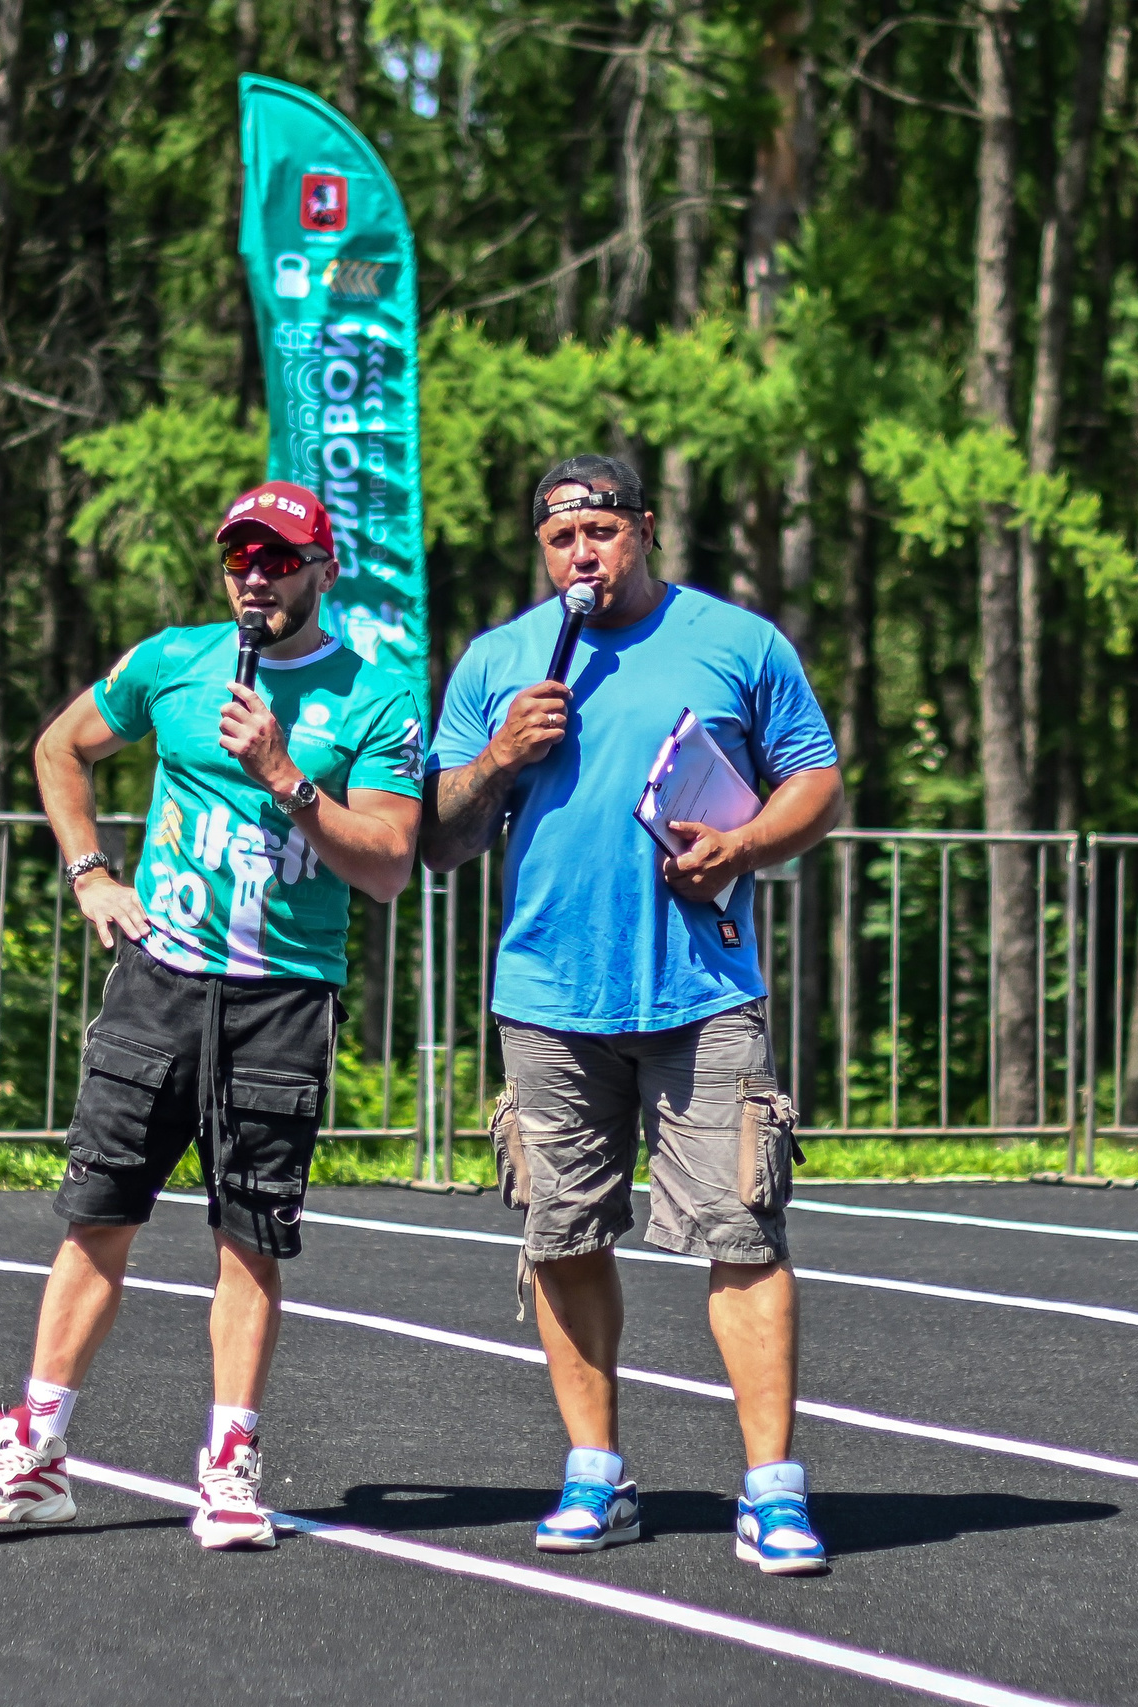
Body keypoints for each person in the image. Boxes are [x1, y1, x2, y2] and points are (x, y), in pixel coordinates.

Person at [0, 479, 423, 1549]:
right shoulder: (172, 660)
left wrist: (285, 774)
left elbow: (389, 864)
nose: (256, 578)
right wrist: (91, 874)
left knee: (247, 1239)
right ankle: (37, 1453)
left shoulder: (378, 697)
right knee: (99, 1215)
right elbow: (59, 748)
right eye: (239, 558)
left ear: (323, 569)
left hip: (282, 998)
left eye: (278, 560)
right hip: (159, 985)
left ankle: (231, 1466)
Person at [422, 454, 844, 1575]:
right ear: (540, 550)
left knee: (743, 1233)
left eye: (601, 532)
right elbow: (440, 841)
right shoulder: (499, 661)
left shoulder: (737, 642)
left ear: (644, 530)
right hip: (549, 996)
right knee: (563, 1236)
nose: (583, 555)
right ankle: (594, 1474)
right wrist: (498, 758)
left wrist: (743, 844)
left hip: (702, 991)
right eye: (561, 539)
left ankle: (773, 1490)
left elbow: (817, 783)